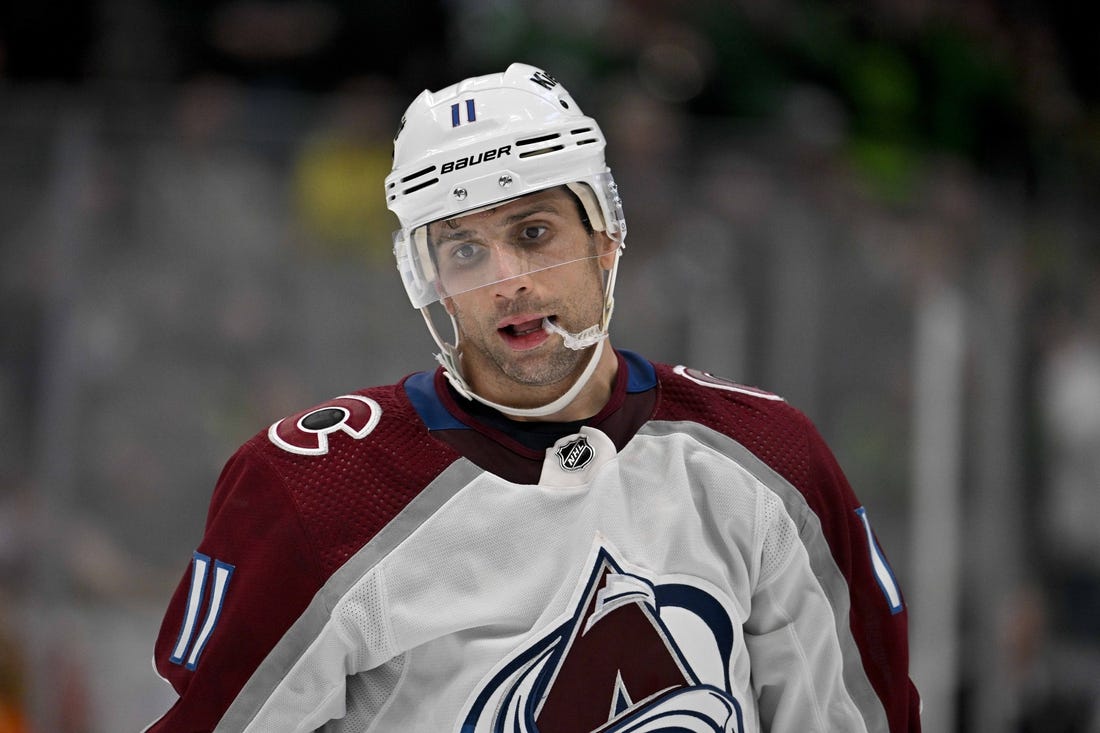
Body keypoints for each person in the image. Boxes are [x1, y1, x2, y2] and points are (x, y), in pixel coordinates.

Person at [145, 63, 921, 732]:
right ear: (429, 280)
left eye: (534, 232)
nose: (507, 278)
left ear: (607, 233)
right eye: (464, 248)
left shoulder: (767, 462)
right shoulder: (315, 491)